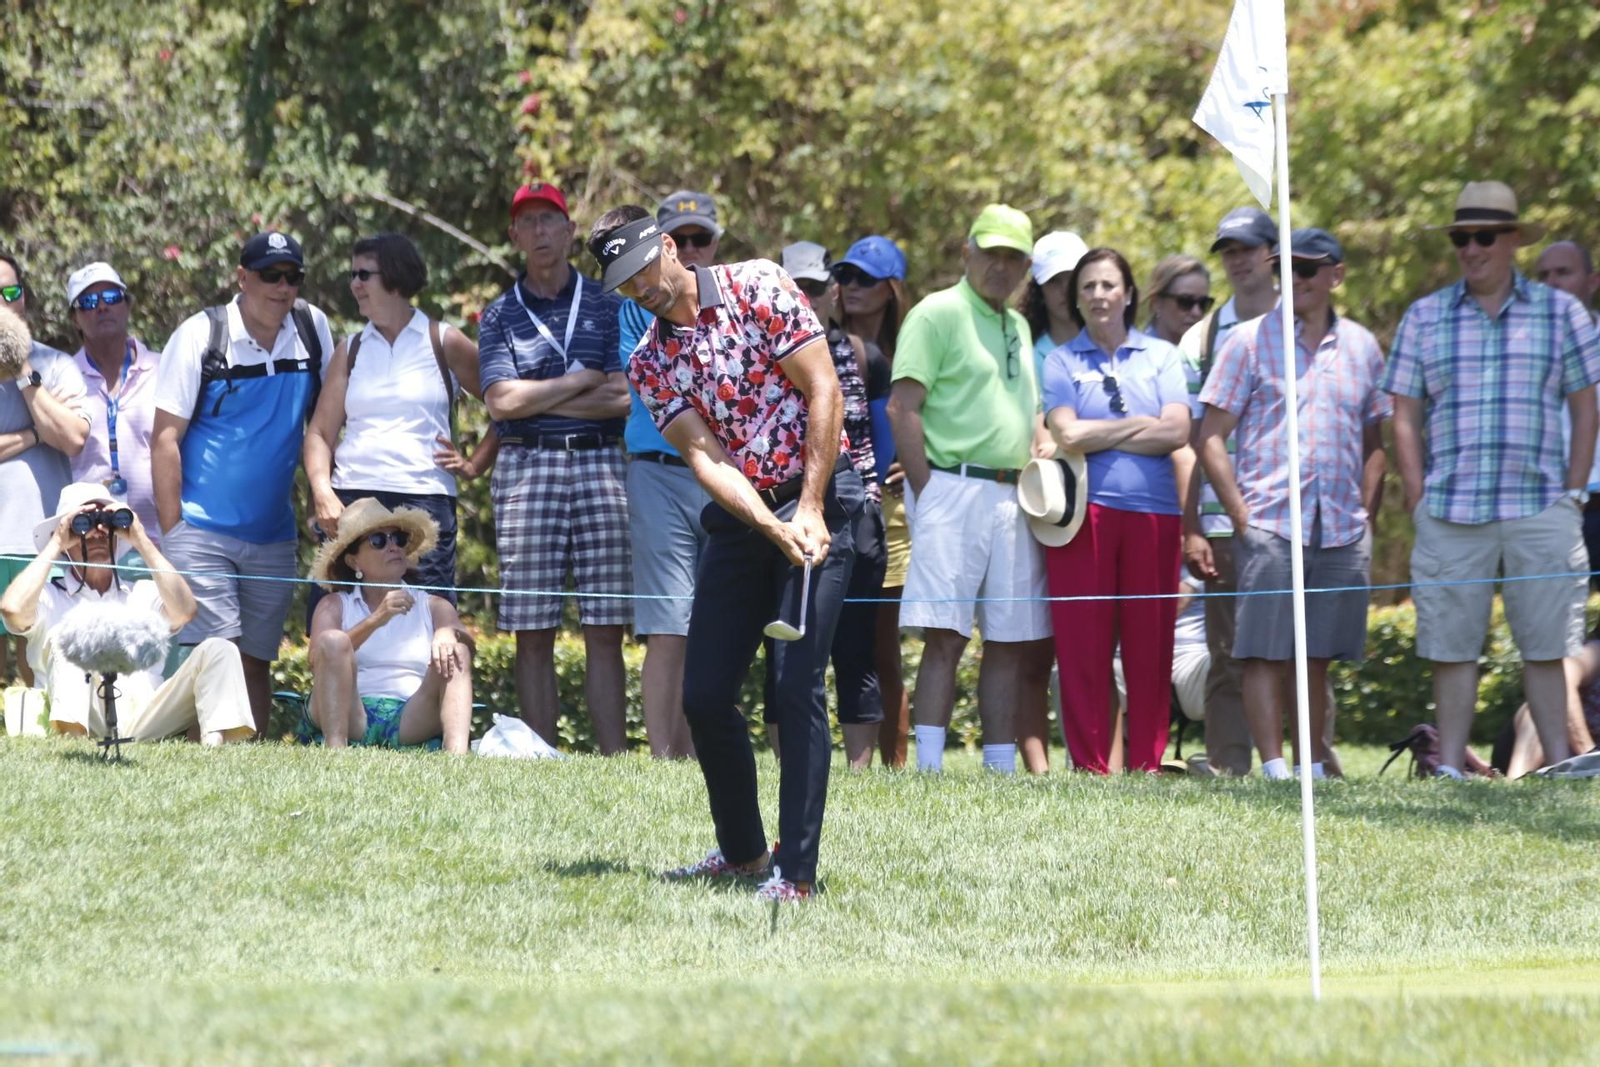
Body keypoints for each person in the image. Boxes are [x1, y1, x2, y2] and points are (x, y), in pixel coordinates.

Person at [592, 204, 861, 902]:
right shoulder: (649, 361)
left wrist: (805, 506)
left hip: (820, 494)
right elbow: (706, 458)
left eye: (644, 266)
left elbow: (823, 387)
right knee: (705, 693)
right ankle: (742, 853)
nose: (641, 287)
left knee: (797, 683)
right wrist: (769, 526)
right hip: (745, 514)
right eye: (624, 282)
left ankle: (796, 873)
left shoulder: (759, 286)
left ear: (671, 247)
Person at [1386, 181, 1600, 779]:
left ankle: (1558, 765)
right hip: (1451, 507)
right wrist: (1419, 495)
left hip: (1541, 505)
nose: (1471, 248)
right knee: (1451, 649)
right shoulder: (1425, 316)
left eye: (1483, 236)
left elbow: (1587, 407)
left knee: (1548, 645)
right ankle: (1450, 768)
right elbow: (1404, 413)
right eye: (1461, 237)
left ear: (1511, 241)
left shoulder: (1562, 314)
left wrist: (1574, 491)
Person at [1197, 229, 1389, 780]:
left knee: (1316, 656)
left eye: (1309, 268)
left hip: (1339, 528)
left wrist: (1365, 518)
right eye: (1288, 269)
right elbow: (1210, 436)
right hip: (1270, 522)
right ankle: (1277, 770)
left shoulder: (1362, 345)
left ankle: (1309, 767)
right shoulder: (1248, 341)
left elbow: (1376, 444)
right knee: (1261, 653)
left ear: (1337, 275)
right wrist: (1240, 516)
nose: (1297, 279)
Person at [888, 204, 1054, 776]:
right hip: (951, 486)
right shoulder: (937, 313)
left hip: (1015, 495)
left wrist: (1041, 443)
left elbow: (1030, 410)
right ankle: (930, 768)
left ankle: (999, 768)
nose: (1001, 268)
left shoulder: (1020, 326)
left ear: (1027, 265)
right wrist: (927, 490)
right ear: (967, 253)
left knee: (1009, 639)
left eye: (1014, 258)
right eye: (991, 254)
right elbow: (902, 407)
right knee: (946, 636)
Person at [152, 231, 334, 737]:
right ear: (242, 277)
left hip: (273, 532)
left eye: (292, 277)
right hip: (202, 529)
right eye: (269, 275)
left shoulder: (312, 327)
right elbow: (165, 439)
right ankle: (208, 761)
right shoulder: (198, 334)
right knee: (221, 653)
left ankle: (243, 765)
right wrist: (175, 533)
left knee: (257, 659)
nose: (282, 287)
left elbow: (326, 422)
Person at [478, 183, 632, 754]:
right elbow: (499, 403)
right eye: (529, 223)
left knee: (606, 625)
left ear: (570, 232)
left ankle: (615, 756)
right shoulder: (498, 315)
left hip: (601, 462)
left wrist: (537, 395)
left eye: (551, 221)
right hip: (525, 469)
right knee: (532, 625)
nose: (540, 232)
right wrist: (579, 379)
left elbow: (623, 399)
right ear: (515, 237)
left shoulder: (610, 303)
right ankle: (541, 754)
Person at [1042, 247, 1192, 774]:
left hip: (1156, 516)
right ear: (1076, 300)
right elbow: (1066, 433)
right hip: (1085, 517)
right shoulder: (1062, 361)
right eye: (1088, 287)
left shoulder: (1161, 357)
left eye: (1108, 285)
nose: (1099, 295)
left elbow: (1177, 430)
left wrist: (1098, 434)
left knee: (1150, 644)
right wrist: (1136, 425)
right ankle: (1089, 766)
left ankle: (1146, 764)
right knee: (1083, 644)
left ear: (1128, 294)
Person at [304, 233, 495, 606]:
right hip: (353, 501)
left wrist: (475, 464)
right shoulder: (351, 348)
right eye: (353, 274)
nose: (354, 283)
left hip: (426, 500)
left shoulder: (445, 340)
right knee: (337, 624)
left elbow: (504, 404)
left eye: (364, 274)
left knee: (431, 627)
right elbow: (319, 432)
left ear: (393, 276)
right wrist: (322, 491)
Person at [0, 482, 253, 744]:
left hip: (145, 716)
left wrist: (140, 538)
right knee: (66, 637)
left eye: (106, 524)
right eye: (83, 525)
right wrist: (56, 543)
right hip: (87, 716)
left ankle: (216, 748)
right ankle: (73, 746)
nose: (96, 533)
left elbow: (185, 611)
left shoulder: (141, 593)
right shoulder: (49, 597)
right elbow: (12, 609)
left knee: (219, 648)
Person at [763, 240, 888, 768]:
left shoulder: (864, 354)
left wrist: (876, 494)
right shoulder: (761, 351)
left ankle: (859, 774)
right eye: (796, 288)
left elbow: (880, 436)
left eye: (814, 288)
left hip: (857, 513)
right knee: (785, 644)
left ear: (831, 292)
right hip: (788, 513)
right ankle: (789, 764)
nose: (805, 297)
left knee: (857, 646)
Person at [615, 190, 730, 760]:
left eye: (698, 239)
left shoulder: (737, 297)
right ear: (658, 244)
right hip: (660, 472)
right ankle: (664, 758)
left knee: (717, 625)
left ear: (714, 243)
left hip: (727, 475)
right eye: (677, 240)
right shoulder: (638, 301)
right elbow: (658, 382)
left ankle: (700, 752)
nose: (688, 250)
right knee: (668, 626)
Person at [1178, 207, 1280, 776]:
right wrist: (1192, 525)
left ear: (1273, 254)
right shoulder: (1204, 335)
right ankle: (1230, 766)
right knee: (1228, 653)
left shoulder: (1302, 321)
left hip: (1293, 519)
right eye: (1228, 251)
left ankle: (1313, 764)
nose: (1237, 260)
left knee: (1303, 653)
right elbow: (1194, 441)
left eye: (1248, 248)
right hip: (1221, 522)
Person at [301, 498, 473, 753]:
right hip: (350, 713)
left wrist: (449, 632)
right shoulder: (333, 604)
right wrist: (376, 619)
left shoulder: (434, 605)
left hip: (412, 715)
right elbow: (317, 659)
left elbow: (469, 649)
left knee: (457, 650)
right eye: (378, 541)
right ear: (353, 562)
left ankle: (458, 759)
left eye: (398, 538)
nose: (393, 546)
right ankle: (335, 752)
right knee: (334, 641)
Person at [833, 235, 913, 766]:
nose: (850, 288)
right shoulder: (822, 344)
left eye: (865, 278)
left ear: (891, 290)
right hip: (842, 511)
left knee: (881, 649)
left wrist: (912, 455)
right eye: (845, 277)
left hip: (900, 516)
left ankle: (893, 765)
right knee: (841, 643)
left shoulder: (911, 349)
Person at [1, 250, 91, 686]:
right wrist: (36, 436)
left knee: (36, 656)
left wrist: (22, 370)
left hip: (41, 541)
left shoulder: (55, 364)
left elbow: (73, 438)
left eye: (10, 291)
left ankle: (35, 747)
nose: (2, 301)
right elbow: (54, 434)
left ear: (23, 299)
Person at [64, 263, 162, 547]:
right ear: (75, 319)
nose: (102, 307)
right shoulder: (59, 377)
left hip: (158, 541)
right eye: (89, 302)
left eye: (111, 297)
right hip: (86, 544)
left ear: (127, 306)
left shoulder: (164, 368)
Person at [1536, 240, 1600, 581]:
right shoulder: (1520, 350)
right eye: (1543, 275)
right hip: (1545, 509)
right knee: (1555, 625)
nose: (1552, 283)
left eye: (1563, 272)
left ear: (1593, 281)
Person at [1020, 230, 1089, 379]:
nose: (1065, 289)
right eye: (1053, 280)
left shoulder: (1114, 344)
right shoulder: (1026, 357)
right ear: (1039, 291)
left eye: (1072, 278)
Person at [1144, 255, 1213, 346]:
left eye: (1203, 303)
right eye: (1185, 302)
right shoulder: (1136, 357)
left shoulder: (1212, 354)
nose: (1197, 312)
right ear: (1156, 303)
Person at [656, 190, 722, 269]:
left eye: (701, 239)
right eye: (677, 241)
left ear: (716, 243)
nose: (689, 250)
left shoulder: (736, 279)